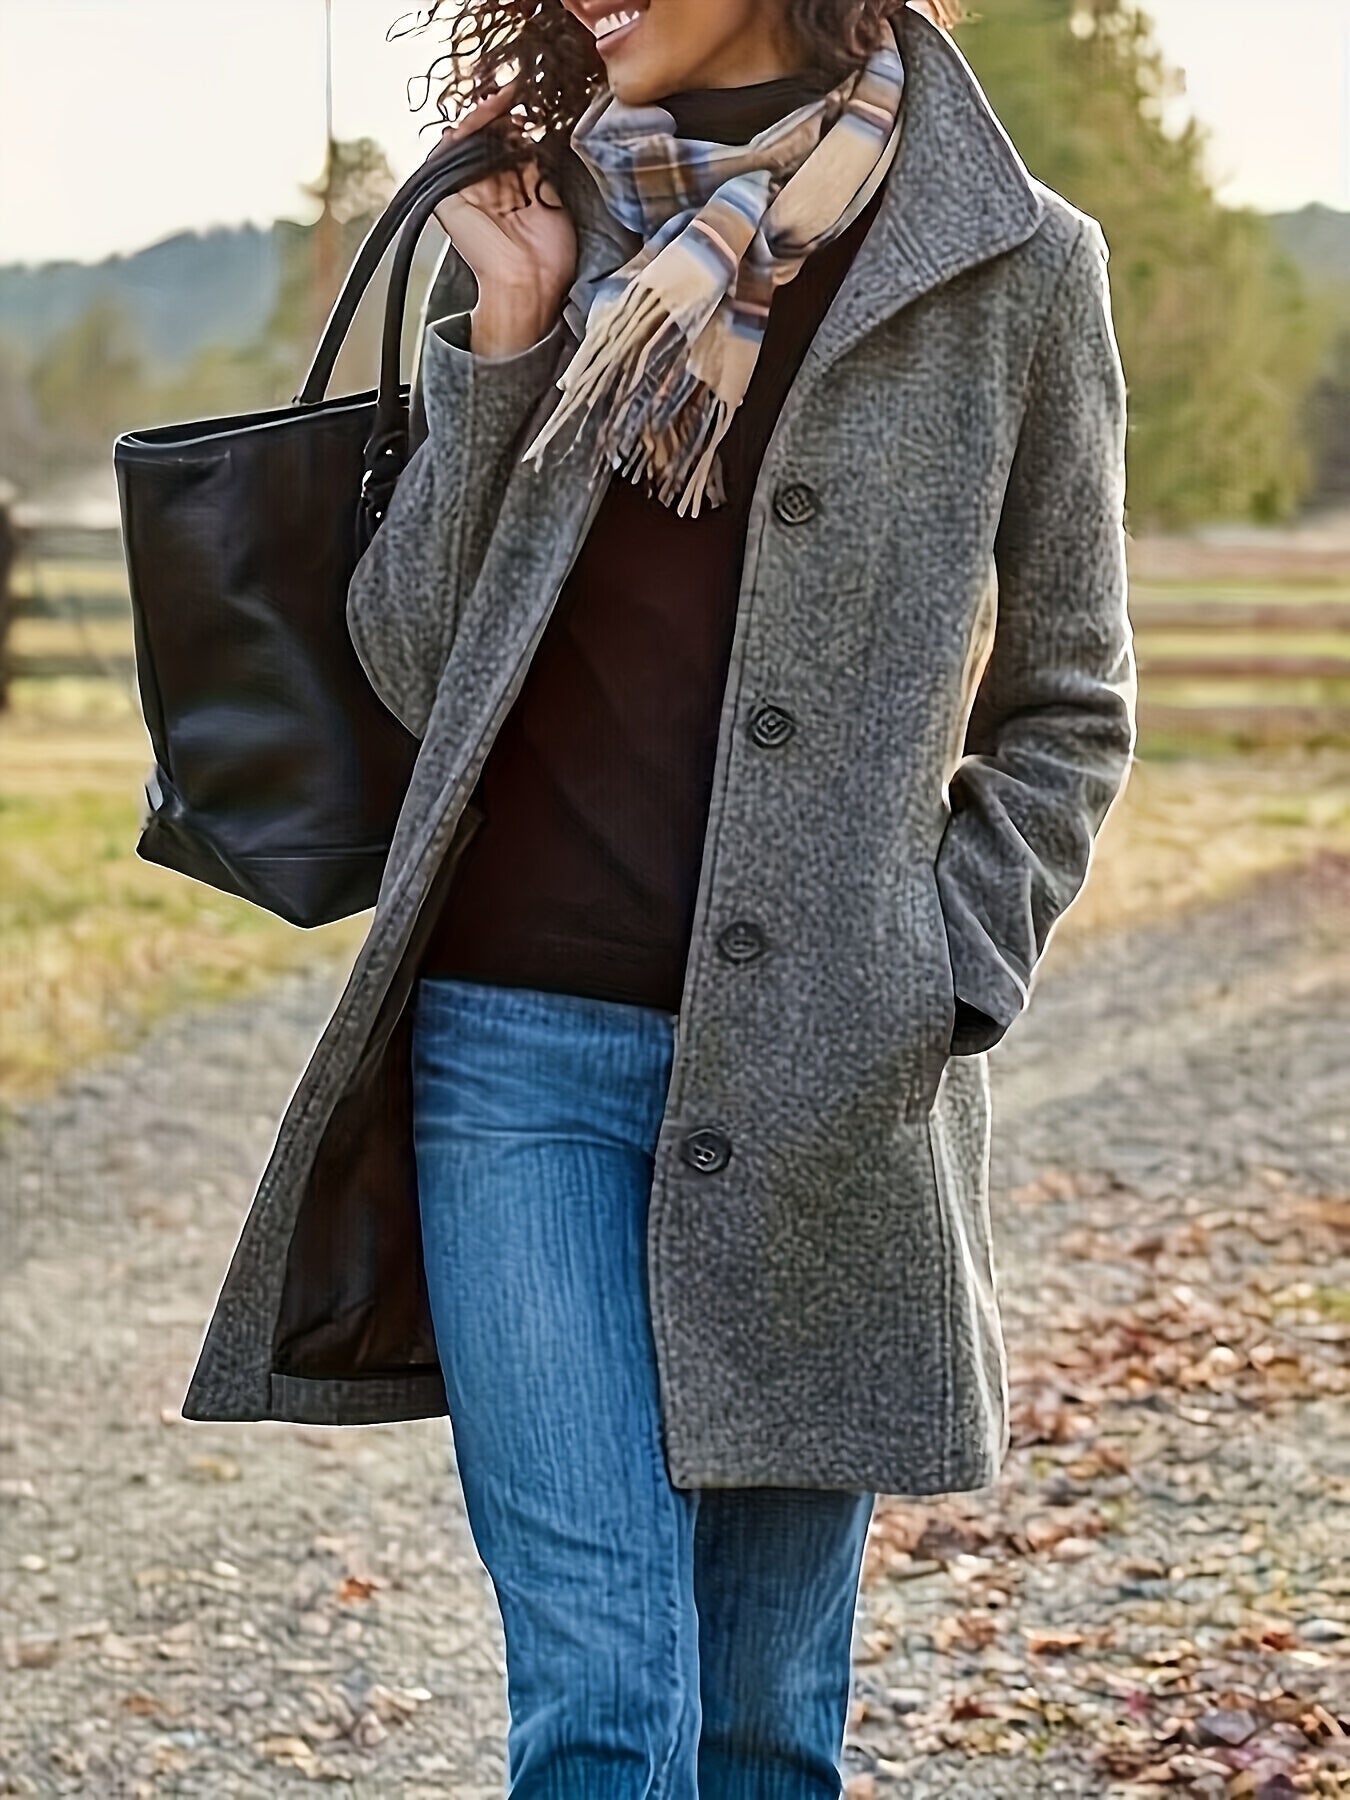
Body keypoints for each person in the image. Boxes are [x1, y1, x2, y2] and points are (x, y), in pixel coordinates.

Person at [184, 1, 1134, 1794]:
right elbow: (403, 661)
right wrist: (514, 330)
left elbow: (1069, 698)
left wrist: (938, 973)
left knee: (766, 1726)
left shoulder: (1009, 261)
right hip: (506, 1061)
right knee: (607, 1701)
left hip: (824, 1087)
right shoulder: (556, 220)